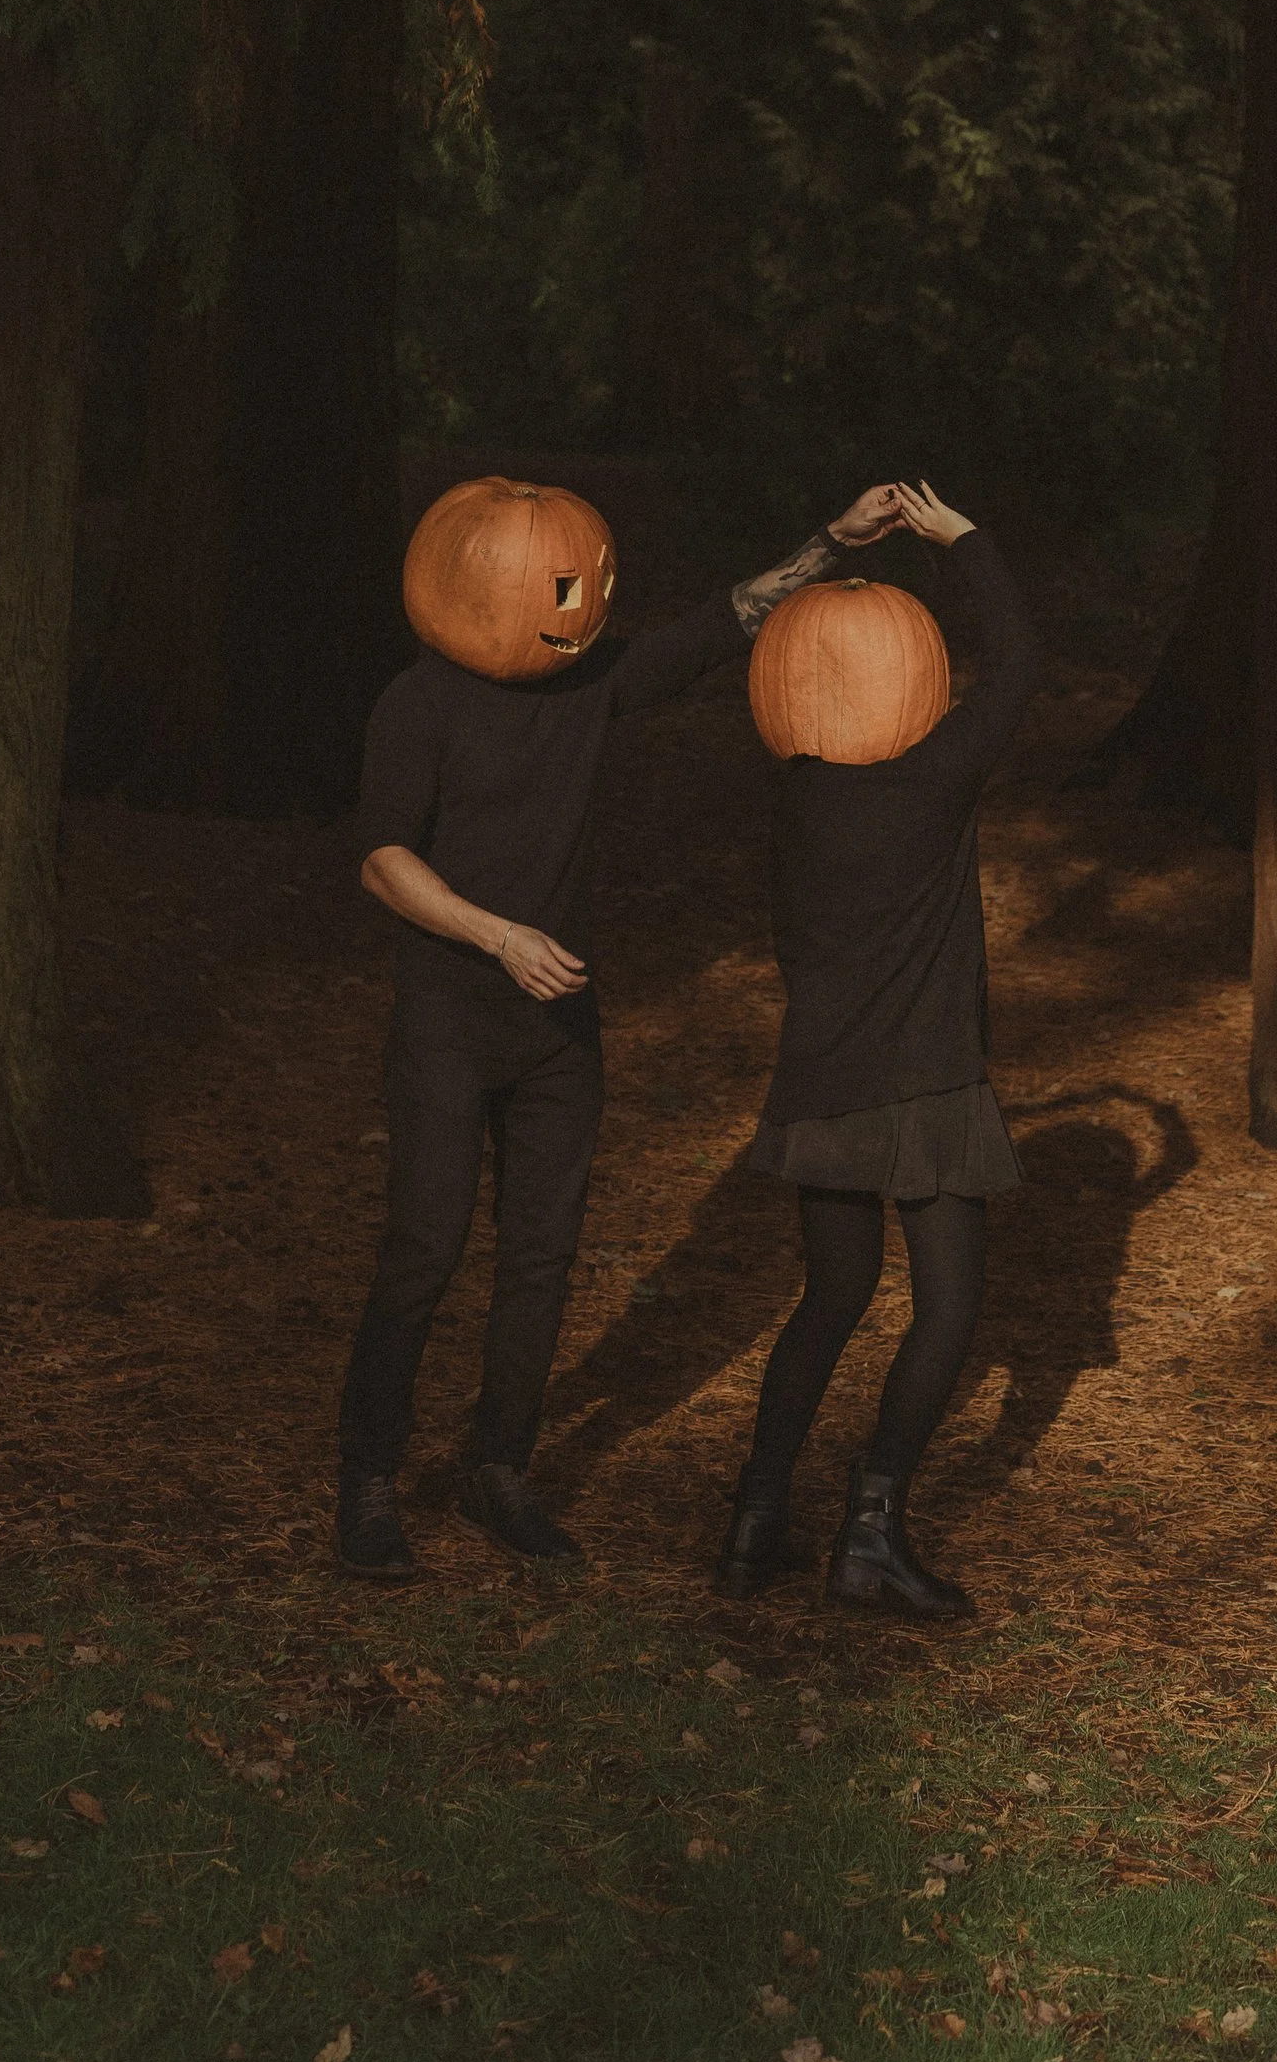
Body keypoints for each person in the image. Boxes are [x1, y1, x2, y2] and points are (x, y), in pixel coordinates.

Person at [336, 476, 912, 1579]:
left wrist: (832, 541)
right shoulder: (419, 703)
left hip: (558, 1032)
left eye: (594, 582)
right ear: (481, 580)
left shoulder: (587, 684)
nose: (585, 603)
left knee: (541, 1259)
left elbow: (724, 622)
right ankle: (368, 1482)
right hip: (449, 1023)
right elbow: (381, 859)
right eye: (565, 585)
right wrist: (497, 936)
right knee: (423, 1252)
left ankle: (498, 1470)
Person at [718, 480, 1041, 1619]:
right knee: (947, 1309)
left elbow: (774, 648)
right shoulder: (933, 780)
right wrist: (964, 540)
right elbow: (1016, 664)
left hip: (823, 1083)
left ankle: (755, 1521)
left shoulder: (797, 799)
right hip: (927, 1080)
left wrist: (828, 551)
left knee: (832, 1295)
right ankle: (870, 1529)